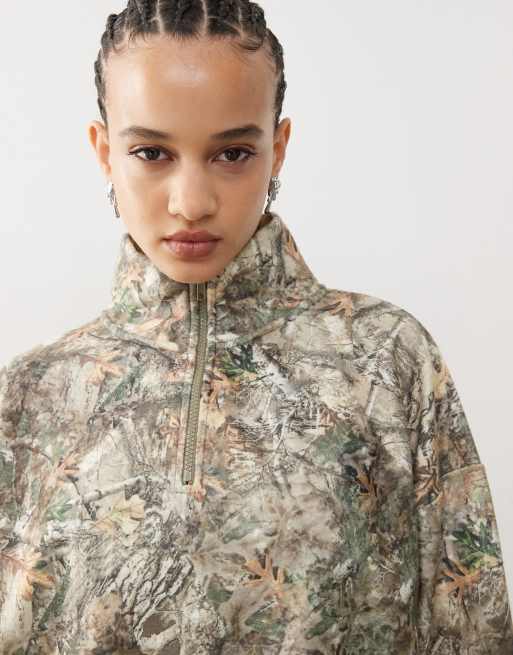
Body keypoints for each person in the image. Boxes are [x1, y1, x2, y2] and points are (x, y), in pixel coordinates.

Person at [1, 0, 512, 652]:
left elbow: (471, 627)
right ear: (105, 152)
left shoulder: (384, 359)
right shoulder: (33, 393)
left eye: (233, 153)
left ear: (279, 148)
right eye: (151, 152)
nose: (191, 202)